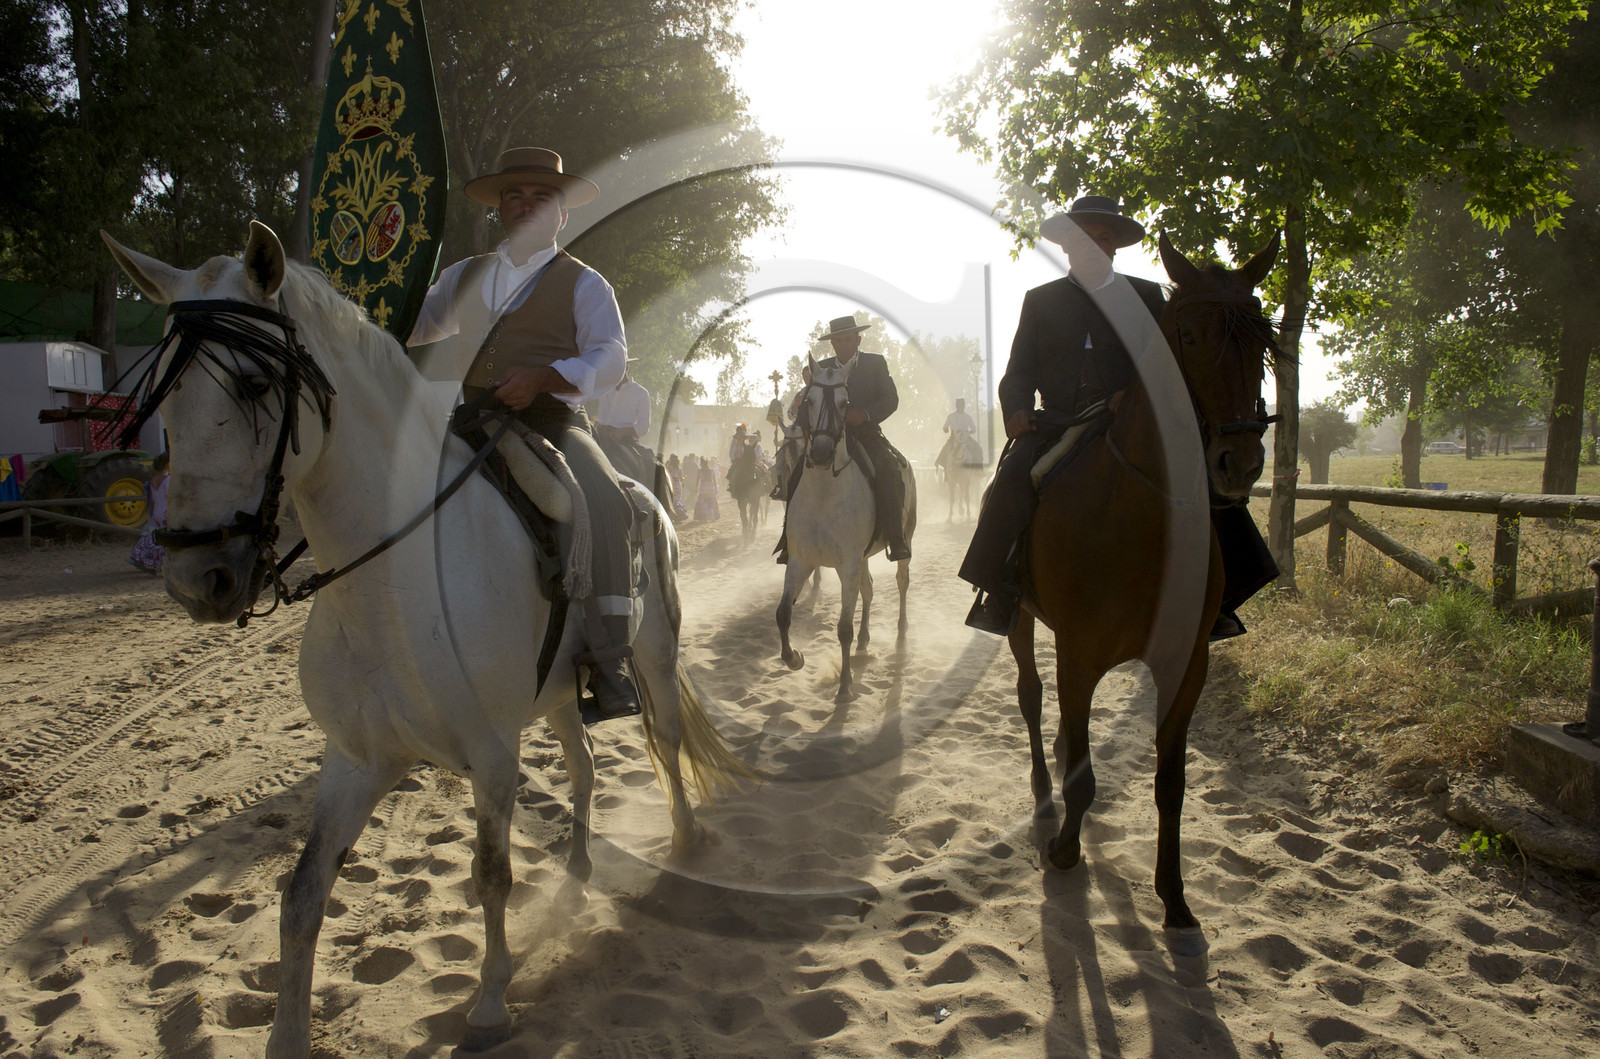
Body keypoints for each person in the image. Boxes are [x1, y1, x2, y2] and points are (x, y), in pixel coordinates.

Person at [406, 146, 640, 725]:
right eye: (515, 196)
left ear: (561, 213)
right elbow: (412, 326)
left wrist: (548, 377)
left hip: (552, 425)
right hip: (467, 425)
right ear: (502, 208)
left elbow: (610, 357)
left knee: (607, 502)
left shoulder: (586, 284)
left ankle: (610, 661)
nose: (526, 206)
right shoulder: (461, 275)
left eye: (542, 197)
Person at [960, 196, 1167, 635]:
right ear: (1066, 248)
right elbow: (1017, 371)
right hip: (1056, 424)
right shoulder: (1041, 301)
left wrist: (1131, 395)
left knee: (1197, 478)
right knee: (1011, 480)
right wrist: (1016, 408)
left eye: (1103, 238)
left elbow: (1165, 363)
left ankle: (1216, 595)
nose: (1093, 246)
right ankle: (1000, 591)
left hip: (1127, 422)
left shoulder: (1147, 297)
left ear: (1115, 248)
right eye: (1082, 239)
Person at [774, 315, 911, 562]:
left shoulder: (875, 363)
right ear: (832, 343)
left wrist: (866, 414)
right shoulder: (822, 368)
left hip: (866, 434)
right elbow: (807, 404)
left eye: (848, 339)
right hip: (827, 438)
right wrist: (805, 428)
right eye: (838, 340)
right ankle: (788, 539)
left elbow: (890, 399)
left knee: (888, 467)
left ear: (858, 339)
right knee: (796, 474)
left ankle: (895, 537)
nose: (843, 344)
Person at [594, 367, 655, 485]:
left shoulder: (640, 392)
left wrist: (621, 432)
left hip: (625, 440)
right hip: (600, 436)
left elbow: (644, 426)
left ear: (626, 367)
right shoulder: (602, 388)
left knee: (651, 465)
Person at [128, 452, 170, 574]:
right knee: (166, 541)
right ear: (168, 464)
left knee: (155, 538)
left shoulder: (153, 480)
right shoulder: (168, 480)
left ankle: (150, 562)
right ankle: (160, 565)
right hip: (166, 513)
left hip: (155, 513)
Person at [694, 455, 720, 520]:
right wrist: (716, 488)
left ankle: (703, 515)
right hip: (711, 488)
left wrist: (696, 488)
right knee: (711, 501)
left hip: (703, 488)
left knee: (703, 501)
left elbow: (697, 481)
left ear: (702, 464)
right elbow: (715, 481)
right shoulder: (712, 471)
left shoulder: (699, 471)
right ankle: (712, 514)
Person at [664, 453, 687, 519]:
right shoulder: (679, 468)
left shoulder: (668, 467)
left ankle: (671, 514)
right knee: (677, 499)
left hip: (670, 484)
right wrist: (685, 477)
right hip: (677, 484)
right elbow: (681, 478)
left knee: (671, 499)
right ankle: (679, 515)